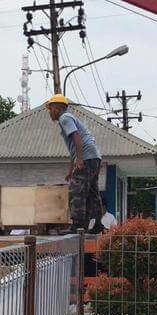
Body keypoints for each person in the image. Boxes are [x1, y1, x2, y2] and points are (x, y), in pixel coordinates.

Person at [46, 93, 103, 231]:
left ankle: (77, 225)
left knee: (76, 191)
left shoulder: (64, 118)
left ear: (57, 108)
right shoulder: (68, 118)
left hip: (87, 157)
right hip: (94, 157)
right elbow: (73, 147)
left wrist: (80, 159)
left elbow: (77, 137)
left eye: (50, 109)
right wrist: (71, 169)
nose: (49, 113)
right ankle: (97, 225)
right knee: (91, 192)